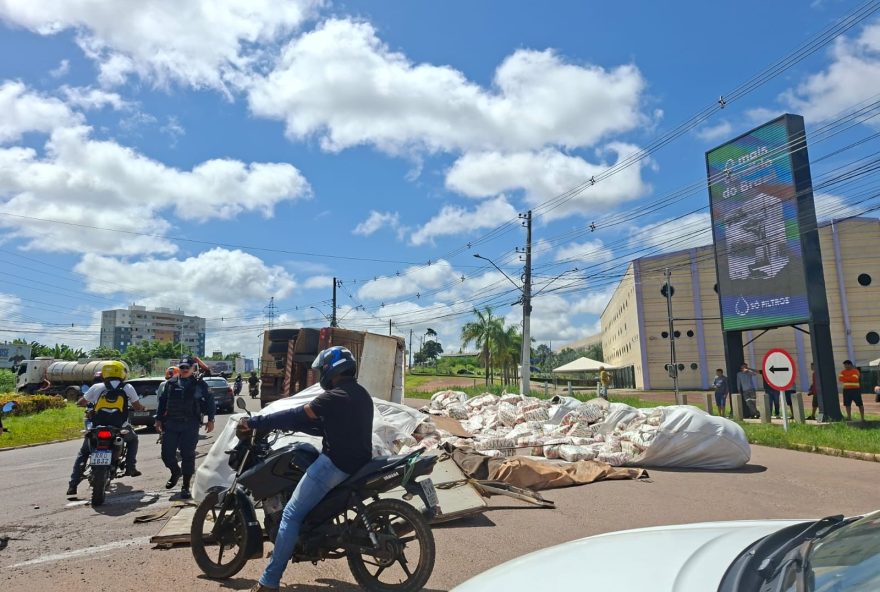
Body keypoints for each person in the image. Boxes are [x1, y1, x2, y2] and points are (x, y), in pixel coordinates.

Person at [238, 346, 373, 592]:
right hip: (359, 461)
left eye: (322, 369)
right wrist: (296, 427)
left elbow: (298, 413)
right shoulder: (360, 394)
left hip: (337, 464)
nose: (321, 373)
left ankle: (269, 581)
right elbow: (328, 426)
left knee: (290, 514)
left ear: (331, 369)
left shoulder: (332, 396)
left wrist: (257, 421)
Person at [67, 361, 144, 496]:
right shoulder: (128, 387)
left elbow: (82, 402)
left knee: (84, 452)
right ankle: (130, 467)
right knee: (133, 440)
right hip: (119, 427)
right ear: (122, 373)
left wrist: (81, 403)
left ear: (104, 373)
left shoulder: (97, 387)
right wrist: (141, 408)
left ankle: (73, 484)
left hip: (97, 427)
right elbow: (137, 406)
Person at [155, 356, 215, 499]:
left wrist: (211, 419)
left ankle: (185, 486)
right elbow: (163, 402)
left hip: (190, 424)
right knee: (167, 455)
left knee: (188, 455)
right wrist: (158, 420)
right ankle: (176, 472)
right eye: (182, 367)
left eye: (188, 367)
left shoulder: (200, 384)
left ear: (193, 368)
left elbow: (210, 401)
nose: (185, 369)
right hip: (172, 423)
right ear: (179, 368)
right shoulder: (170, 383)